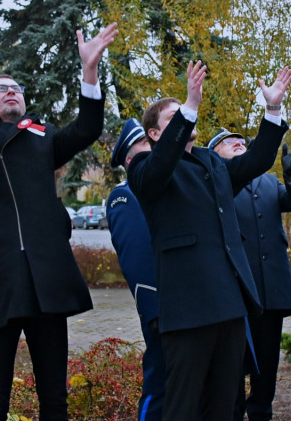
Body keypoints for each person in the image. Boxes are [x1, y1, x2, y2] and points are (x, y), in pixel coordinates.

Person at [0, 24, 116, 421]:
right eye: (1, 88)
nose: (12, 91)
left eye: (17, 88)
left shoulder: (44, 139)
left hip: (46, 288)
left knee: (55, 399)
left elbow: (88, 128)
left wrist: (89, 71)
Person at [127, 63, 291, 421]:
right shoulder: (143, 165)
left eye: (185, 114)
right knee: (183, 406)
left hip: (230, 304)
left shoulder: (210, 162)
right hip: (187, 309)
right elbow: (159, 168)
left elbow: (257, 160)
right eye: (174, 118)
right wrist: (188, 104)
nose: (188, 116)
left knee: (225, 405)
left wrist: (273, 110)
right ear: (155, 134)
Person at [208, 130, 291, 421]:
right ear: (214, 152)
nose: (239, 143)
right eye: (230, 141)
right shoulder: (214, 182)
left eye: (242, 141)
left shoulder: (267, 180)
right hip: (236, 293)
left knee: (267, 365)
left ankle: (262, 413)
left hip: (271, 290)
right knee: (234, 368)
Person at [106, 118, 164, 421]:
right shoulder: (124, 194)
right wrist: (152, 307)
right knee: (160, 383)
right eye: (144, 142)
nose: (152, 146)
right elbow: (137, 255)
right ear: (129, 158)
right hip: (161, 308)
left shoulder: (164, 185)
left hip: (186, 305)